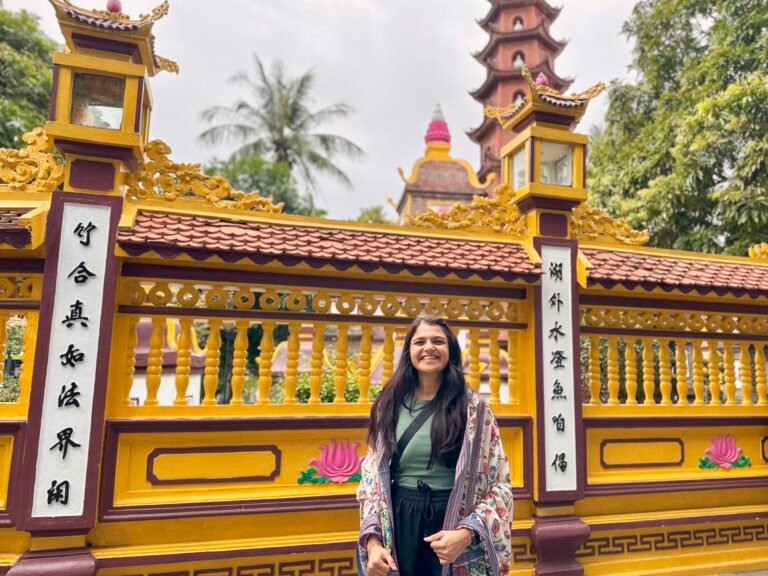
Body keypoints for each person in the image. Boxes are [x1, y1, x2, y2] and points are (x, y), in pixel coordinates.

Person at [357, 315, 513, 576]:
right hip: (400, 520)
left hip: (454, 523)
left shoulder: (474, 409)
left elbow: (500, 485)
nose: (428, 347)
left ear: (450, 350)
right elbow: (371, 483)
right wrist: (373, 544)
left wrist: (466, 533)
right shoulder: (389, 404)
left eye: (438, 341)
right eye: (420, 342)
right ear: (409, 352)